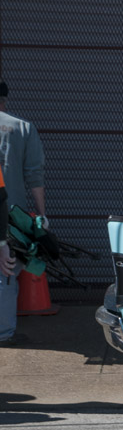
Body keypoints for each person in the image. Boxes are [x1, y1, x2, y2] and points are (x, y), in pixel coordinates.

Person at [0, 80, 47, 347]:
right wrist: (41, 215)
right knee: (6, 272)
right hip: (9, 214)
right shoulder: (21, 128)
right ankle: (4, 333)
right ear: (5, 99)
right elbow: (34, 175)